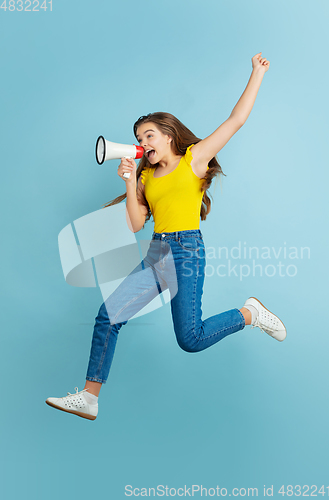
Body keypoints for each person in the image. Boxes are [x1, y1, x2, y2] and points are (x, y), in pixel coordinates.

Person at [46, 52, 286, 421]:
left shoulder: (194, 159)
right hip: (157, 253)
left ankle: (250, 313)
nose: (143, 142)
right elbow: (134, 223)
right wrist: (129, 182)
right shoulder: (144, 176)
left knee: (190, 340)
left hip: (186, 250)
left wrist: (257, 73)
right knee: (108, 316)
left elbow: (236, 121)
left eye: (149, 135)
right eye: (139, 138)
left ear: (168, 135)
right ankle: (90, 398)